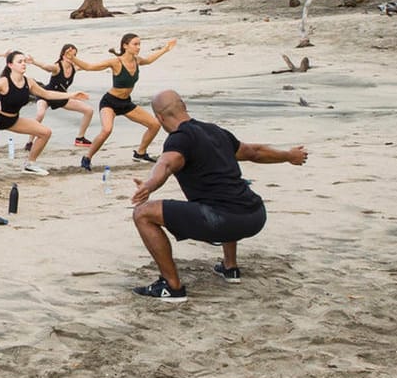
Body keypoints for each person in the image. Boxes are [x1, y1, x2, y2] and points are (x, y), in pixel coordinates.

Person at [127, 90, 308, 302]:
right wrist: (288, 155)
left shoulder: (179, 139)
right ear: (184, 105)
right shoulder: (215, 132)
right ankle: (230, 267)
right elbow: (254, 152)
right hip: (255, 215)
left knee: (143, 214)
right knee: (226, 192)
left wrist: (149, 185)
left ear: (159, 118)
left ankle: (172, 287)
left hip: (223, 221)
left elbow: (166, 163)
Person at [71, 33, 179, 170]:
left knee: (154, 124)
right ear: (125, 46)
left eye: (139, 44)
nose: (138, 47)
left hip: (126, 103)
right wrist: (73, 58)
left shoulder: (137, 60)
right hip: (110, 102)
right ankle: (87, 157)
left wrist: (165, 49)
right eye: (135, 44)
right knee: (106, 130)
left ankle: (140, 153)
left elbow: (149, 60)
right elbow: (89, 67)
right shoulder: (116, 62)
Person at [0, 51, 90, 176]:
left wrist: (72, 95)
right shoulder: (3, 82)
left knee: (45, 133)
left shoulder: (29, 82)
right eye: (19, 62)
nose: (23, 64)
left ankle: (30, 165)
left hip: (13, 120)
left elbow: (47, 94)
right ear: (10, 65)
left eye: (24, 61)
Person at [29, 44, 97, 147]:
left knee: (89, 110)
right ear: (63, 55)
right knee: (40, 114)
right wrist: (34, 61)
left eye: (74, 55)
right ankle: (30, 142)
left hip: (61, 98)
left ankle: (80, 139)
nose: (71, 57)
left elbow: (90, 67)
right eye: (69, 54)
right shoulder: (57, 67)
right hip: (47, 95)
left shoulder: (74, 67)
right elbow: (47, 67)